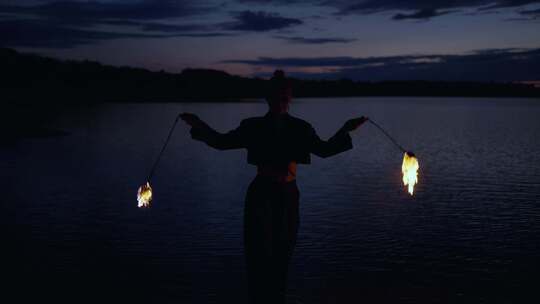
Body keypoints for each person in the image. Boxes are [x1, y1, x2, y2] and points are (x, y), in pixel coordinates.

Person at [180, 70, 367, 304]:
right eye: (277, 97)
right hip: (261, 194)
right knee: (258, 256)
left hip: (288, 195)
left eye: (285, 97)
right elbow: (221, 142)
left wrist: (346, 129)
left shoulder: (301, 128)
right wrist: (198, 124)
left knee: (283, 253)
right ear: (267, 99)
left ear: (290, 99)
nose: (281, 102)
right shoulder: (253, 126)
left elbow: (325, 150)